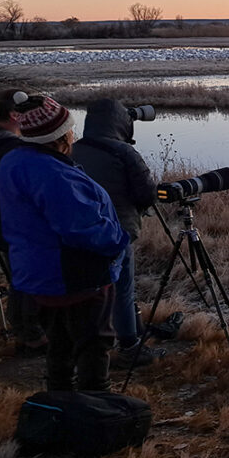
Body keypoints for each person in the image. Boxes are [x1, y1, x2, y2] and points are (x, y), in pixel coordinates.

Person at [0, 95, 129, 391]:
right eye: (70, 128)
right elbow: (81, 228)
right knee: (93, 345)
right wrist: (119, 240)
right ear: (58, 137)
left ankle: (61, 405)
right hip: (74, 278)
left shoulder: (15, 160)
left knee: (59, 345)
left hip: (39, 273)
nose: (74, 133)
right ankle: (94, 409)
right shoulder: (53, 175)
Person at [71, 99, 165, 367]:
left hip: (81, 232)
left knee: (90, 288)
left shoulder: (73, 149)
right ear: (121, 123)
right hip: (117, 231)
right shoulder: (124, 153)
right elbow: (147, 194)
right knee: (123, 288)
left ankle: (93, 340)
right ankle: (129, 346)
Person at [0, 90, 48, 355]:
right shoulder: (14, 149)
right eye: (25, 111)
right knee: (27, 280)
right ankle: (31, 336)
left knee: (19, 279)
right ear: (15, 115)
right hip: (16, 225)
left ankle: (24, 331)